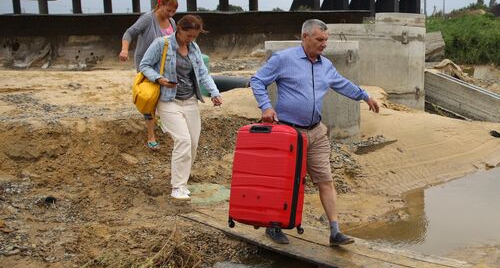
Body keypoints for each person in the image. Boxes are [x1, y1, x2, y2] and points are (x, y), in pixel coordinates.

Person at [250, 19, 380, 246]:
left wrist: (365, 96)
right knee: (286, 181)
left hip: (317, 132)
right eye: (320, 39)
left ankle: (335, 232)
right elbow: (257, 80)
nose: (324, 44)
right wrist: (266, 106)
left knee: (325, 179)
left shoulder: (326, 66)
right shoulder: (284, 59)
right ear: (304, 37)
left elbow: (342, 84)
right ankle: (273, 225)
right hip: (289, 133)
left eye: (326, 40)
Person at [139, 15, 222, 201]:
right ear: (179, 30)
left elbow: (202, 73)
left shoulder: (194, 48)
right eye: (188, 35)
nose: (190, 39)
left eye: (194, 36)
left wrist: (215, 93)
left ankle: (182, 179)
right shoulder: (162, 44)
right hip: (168, 100)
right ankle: (178, 187)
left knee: (192, 144)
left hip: (190, 100)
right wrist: (158, 79)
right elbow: (144, 65)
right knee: (183, 141)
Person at [120, 0, 178, 150]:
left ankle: (165, 125)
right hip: (147, 65)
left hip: (165, 68)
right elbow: (129, 32)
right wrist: (125, 49)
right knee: (149, 97)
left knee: (165, 96)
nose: (170, 14)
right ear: (160, 6)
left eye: (173, 11)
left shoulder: (171, 22)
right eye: (168, 10)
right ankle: (151, 135)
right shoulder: (147, 18)